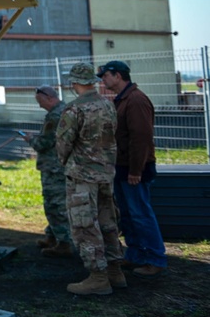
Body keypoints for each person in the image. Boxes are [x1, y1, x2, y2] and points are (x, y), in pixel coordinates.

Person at [55, 62, 124, 296]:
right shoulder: (108, 104)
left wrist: (66, 163)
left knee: (85, 225)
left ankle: (98, 277)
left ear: (74, 83)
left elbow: (63, 144)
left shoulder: (74, 109)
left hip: (82, 175)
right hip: (105, 173)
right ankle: (115, 270)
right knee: (107, 220)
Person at [98, 60, 167, 277]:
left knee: (141, 214)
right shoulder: (123, 99)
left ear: (118, 76)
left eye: (105, 75)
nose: (103, 80)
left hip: (134, 169)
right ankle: (136, 255)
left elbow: (141, 138)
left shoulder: (135, 100)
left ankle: (155, 258)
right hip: (123, 167)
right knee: (128, 214)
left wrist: (136, 170)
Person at [23, 85, 72, 257]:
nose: (39, 105)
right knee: (57, 203)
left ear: (49, 98)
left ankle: (64, 242)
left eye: (40, 101)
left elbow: (43, 144)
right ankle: (52, 235)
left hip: (54, 168)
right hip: (62, 165)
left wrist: (30, 139)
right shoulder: (65, 110)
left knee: (54, 205)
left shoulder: (54, 116)